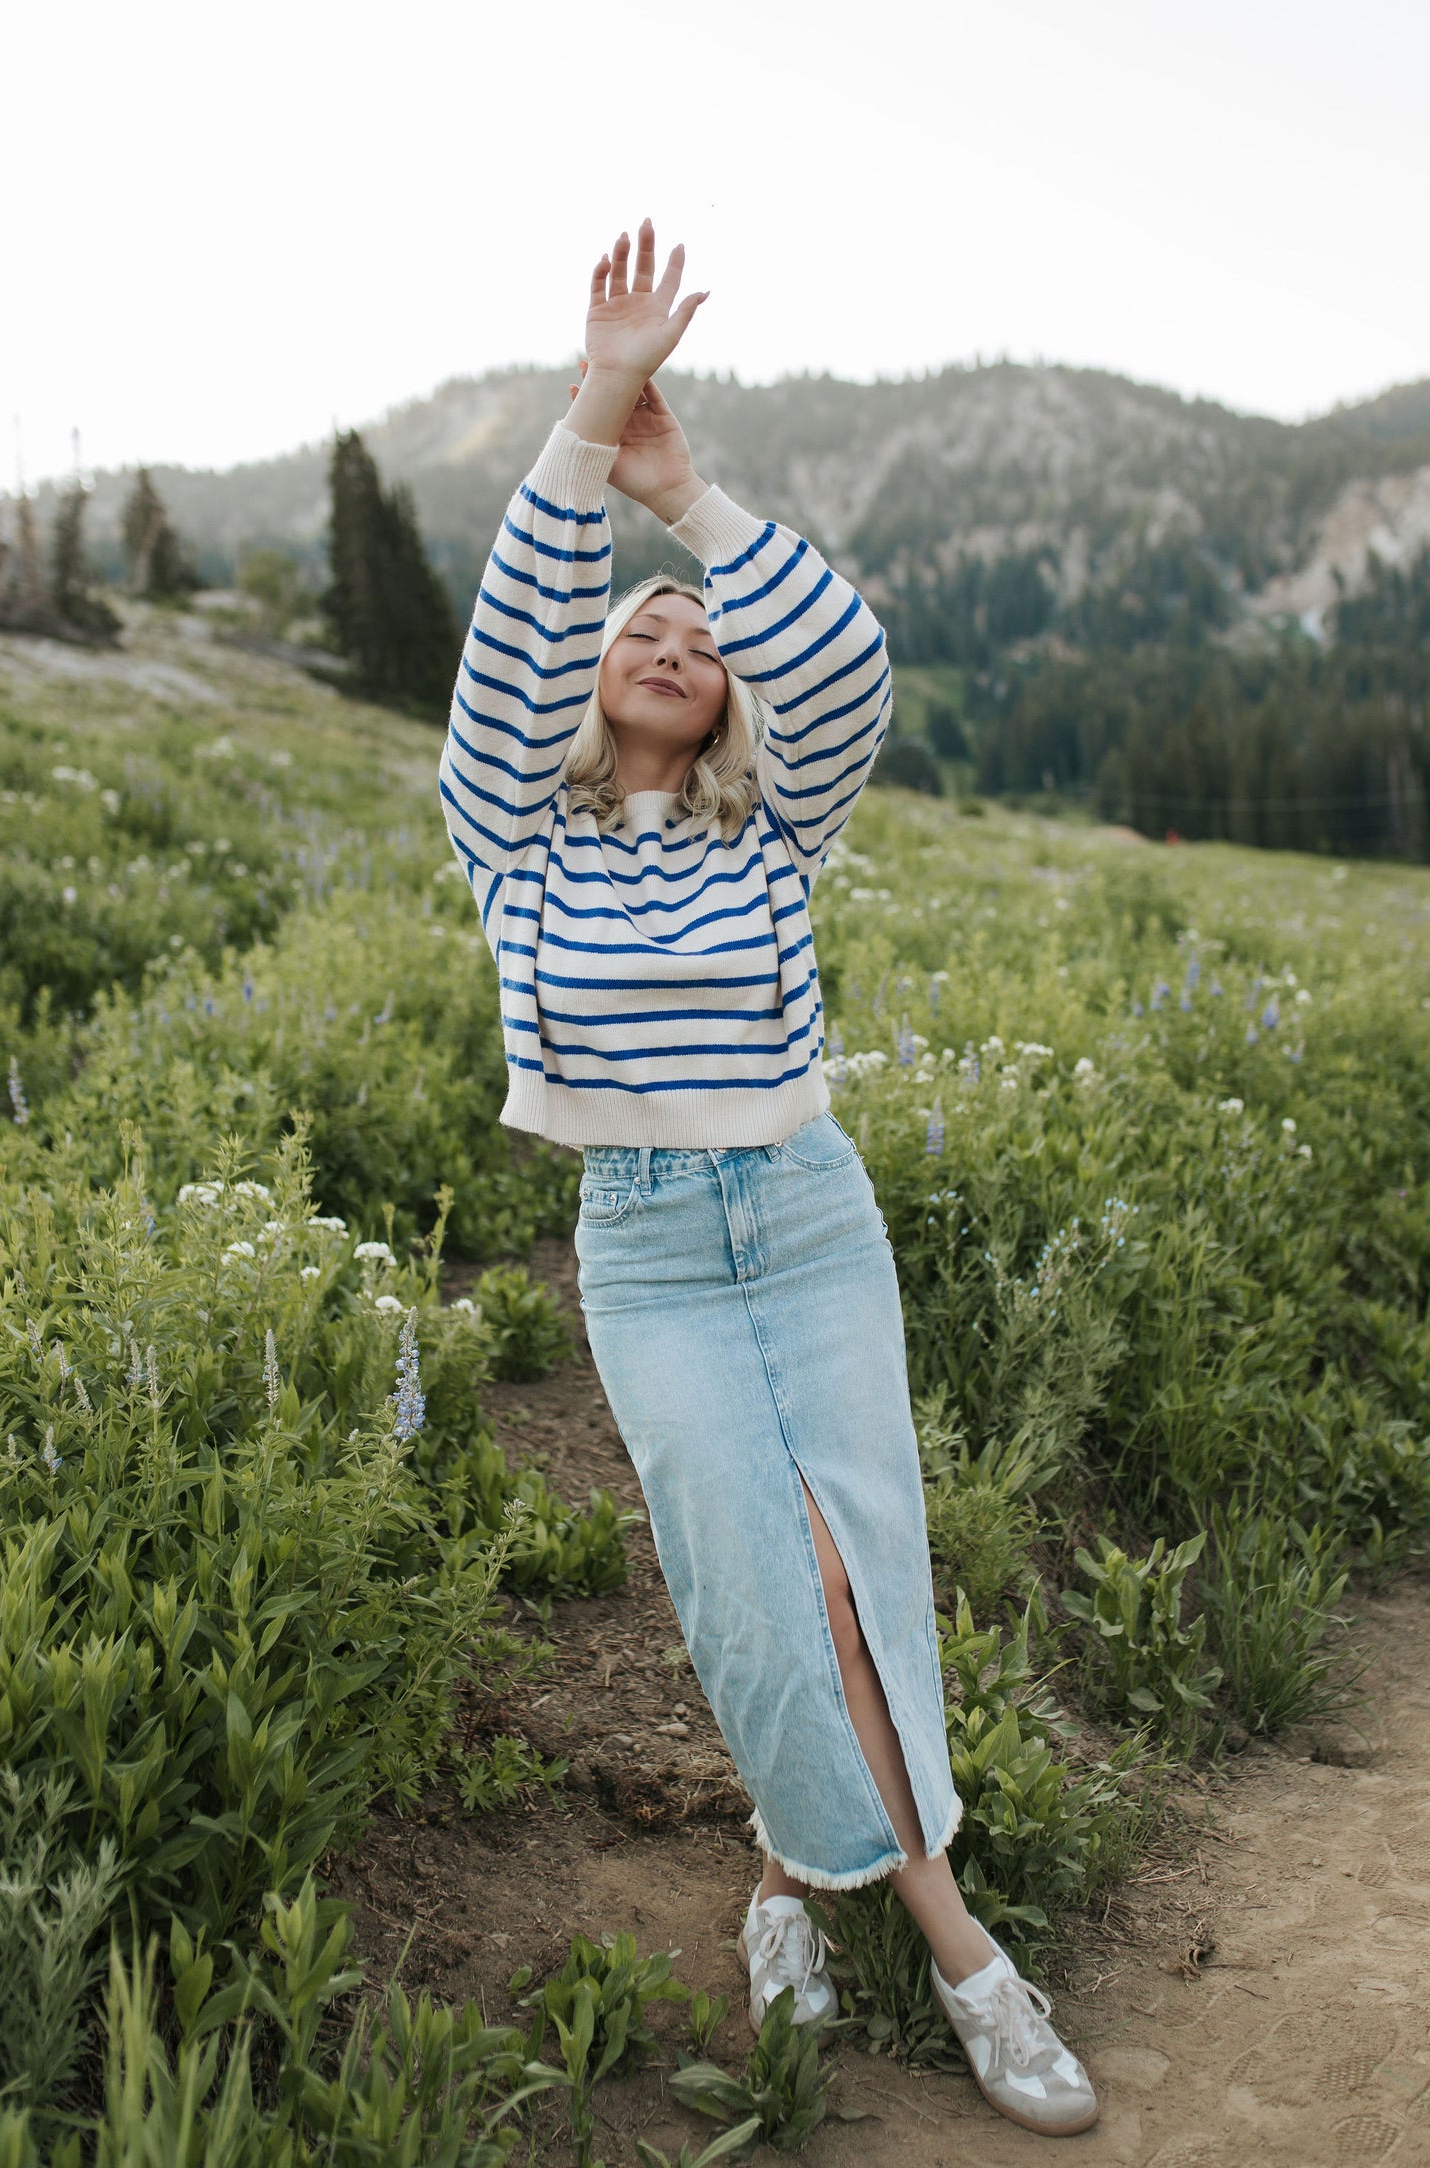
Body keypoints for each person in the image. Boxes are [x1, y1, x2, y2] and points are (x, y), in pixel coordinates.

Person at [439, 220, 1098, 2138]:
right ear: (593, 677)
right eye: (636, 620)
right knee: (747, 1590)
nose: (668, 632)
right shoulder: (514, 837)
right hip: (645, 1256)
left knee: (837, 1572)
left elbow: (848, 657)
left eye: (699, 634)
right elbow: (505, 646)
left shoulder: (779, 833)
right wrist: (584, 425)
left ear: (732, 706)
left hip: (804, 1221)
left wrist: (688, 494)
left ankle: (951, 1946)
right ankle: (793, 1880)